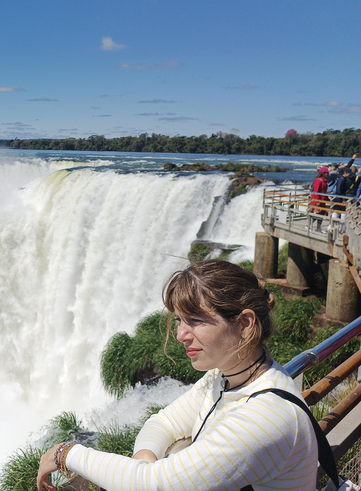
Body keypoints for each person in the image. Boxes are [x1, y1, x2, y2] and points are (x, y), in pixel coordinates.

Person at [37, 260, 318, 491]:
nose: (182, 334)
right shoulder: (225, 376)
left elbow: (150, 485)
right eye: (180, 320)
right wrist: (144, 461)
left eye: (195, 320)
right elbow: (164, 423)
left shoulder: (265, 416)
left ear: (245, 323)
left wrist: (66, 453)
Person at [310, 167, 329, 232]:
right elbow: (316, 191)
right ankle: (309, 225)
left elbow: (324, 191)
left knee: (322, 214)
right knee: (316, 214)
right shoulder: (319, 180)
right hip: (317, 200)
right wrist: (317, 200)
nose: (327, 174)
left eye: (327, 173)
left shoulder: (325, 181)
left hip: (323, 200)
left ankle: (318, 227)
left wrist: (327, 200)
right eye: (325, 173)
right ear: (322, 173)